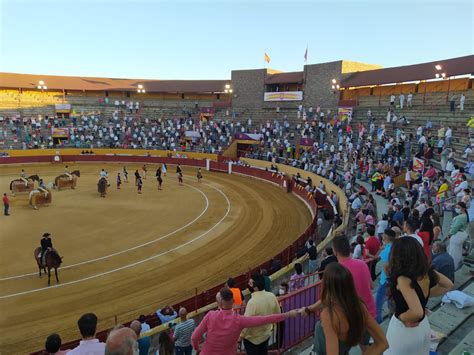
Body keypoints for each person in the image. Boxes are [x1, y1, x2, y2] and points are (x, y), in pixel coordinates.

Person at [384, 237, 453, 354]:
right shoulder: (426, 271)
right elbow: (448, 285)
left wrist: (402, 317)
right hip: (422, 327)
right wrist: (423, 296)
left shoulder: (403, 278)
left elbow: (417, 312)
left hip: (404, 331)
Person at [302, 263, 388, 355]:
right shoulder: (359, 306)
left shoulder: (329, 315)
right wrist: (310, 309)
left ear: (327, 285)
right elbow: (383, 343)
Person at [191, 287, 298, 355]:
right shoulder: (239, 320)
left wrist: (197, 348)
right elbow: (264, 319)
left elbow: (194, 337)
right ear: (233, 301)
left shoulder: (210, 316)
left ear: (219, 303)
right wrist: (288, 314)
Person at [241, 273, 282, 354]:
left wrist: (240, 337)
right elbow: (278, 314)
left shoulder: (252, 303)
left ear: (255, 287)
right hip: (266, 335)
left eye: (250, 283)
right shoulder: (271, 296)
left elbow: (246, 324)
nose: (248, 285)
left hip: (252, 340)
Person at [375, 229, 395, 323]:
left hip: (385, 280)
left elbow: (378, 259)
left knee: (378, 303)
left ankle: (377, 321)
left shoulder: (386, 250)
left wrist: (380, 248)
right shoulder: (394, 247)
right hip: (391, 279)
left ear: (385, 237)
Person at [447, 202, 469, 269]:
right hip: (463, 234)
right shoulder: (465, 215)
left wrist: (449, 234)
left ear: (463, 208)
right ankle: (457, 264)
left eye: (458, 208)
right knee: (458, 250)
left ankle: (453, 266)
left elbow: (455, 227)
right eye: (456, 207)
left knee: (453, 252)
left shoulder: (460, 217)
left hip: (457, 235)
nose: (456, 209)